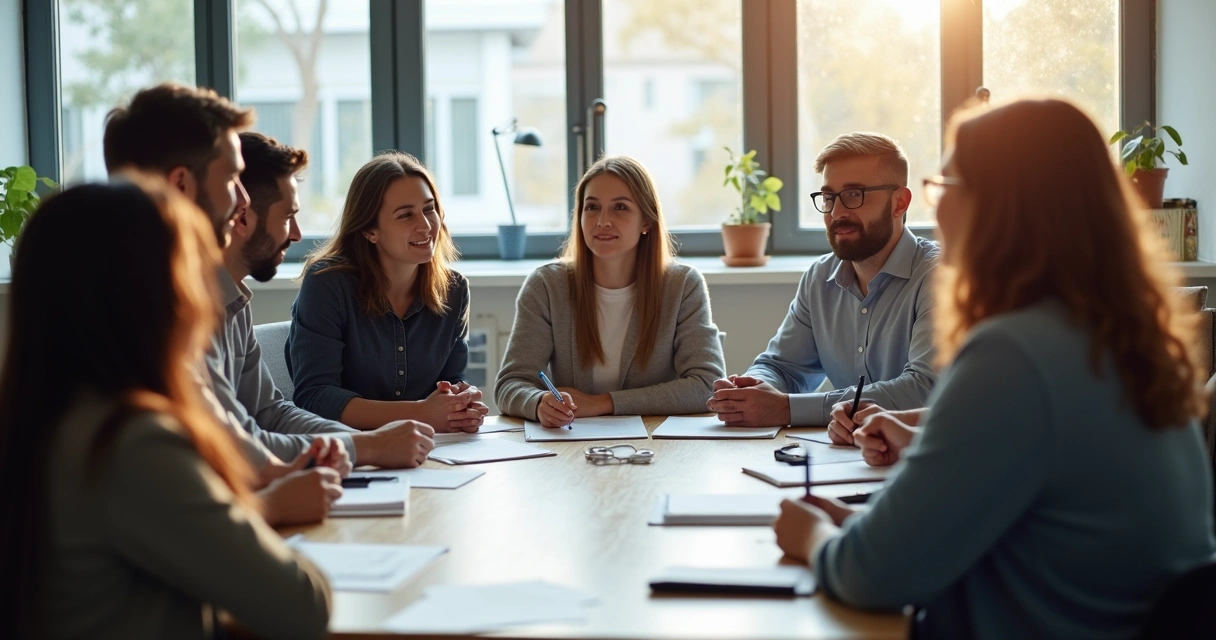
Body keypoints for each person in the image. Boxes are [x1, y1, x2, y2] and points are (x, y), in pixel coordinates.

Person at [773, 98, 1216, 638]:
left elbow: (867, 576)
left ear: (1004, 206)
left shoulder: (1016, 351)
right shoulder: (1113, 331)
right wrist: (863, 522)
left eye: (947, 187)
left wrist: (813, 534)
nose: (937, 210)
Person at [0, 178, 332, 640]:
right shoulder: (131, 441)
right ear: (150, 293)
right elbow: (302, 605)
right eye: (189, 269)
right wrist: (264, 510)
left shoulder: (40, 415)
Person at [103, 83, 435, 476]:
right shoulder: (161, 311)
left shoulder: (227, 297)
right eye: (231, 181)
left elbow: (266, 414)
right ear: (180, 185)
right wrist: (364, 446)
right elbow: (238, 445)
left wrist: (365, 444)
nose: (241, 201)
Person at [707, 133, 938, 435]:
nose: (837, 213)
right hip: (846, 461)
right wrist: (752, 387)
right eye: (829, 197)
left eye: (854, 195)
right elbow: (782, 367)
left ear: (900, 203)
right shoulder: (819, 278)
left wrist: (784, 408)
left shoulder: (939, 276)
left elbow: (924, 390)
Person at [495, 155, 725, 427]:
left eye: (620, 207)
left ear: (646, 222)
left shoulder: (683, 286)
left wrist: (604, 403)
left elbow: (707, 385)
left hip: (657, 444)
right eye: (591, 207)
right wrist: (538, 403)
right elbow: (511, 384)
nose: (602, 221)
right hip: (571, 445)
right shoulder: (546, 286)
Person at [287, 152, 488, 432]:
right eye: (406, 215)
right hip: (346, 451)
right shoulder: (327, 284)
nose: (426, 225)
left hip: (428, 451)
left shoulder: (454, 290)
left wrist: (459, 406)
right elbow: (315, 395)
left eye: (429, 209)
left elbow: (450, 382)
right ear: (370, 230)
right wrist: (421, 413)